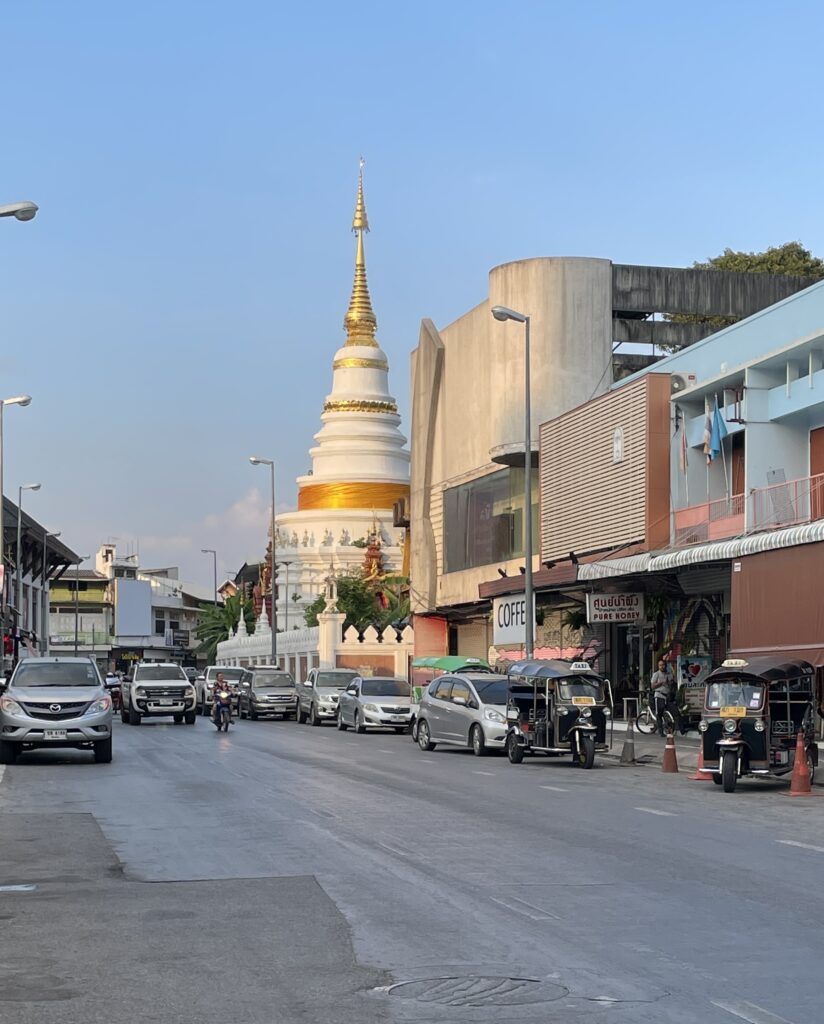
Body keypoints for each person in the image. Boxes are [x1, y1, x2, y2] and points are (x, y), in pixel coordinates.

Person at [650, 659, 673, 736]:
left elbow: (672, 683)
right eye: (660, 665)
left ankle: (670, 727)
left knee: (668, 712)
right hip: (659, 695)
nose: (662, 666)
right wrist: (661, 683)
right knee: (659, 714)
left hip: (667, 696)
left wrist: (669, 682)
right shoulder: (656, 674)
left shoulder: (668, 674)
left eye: (663, 665)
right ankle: (660, 731)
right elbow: (653, 686)